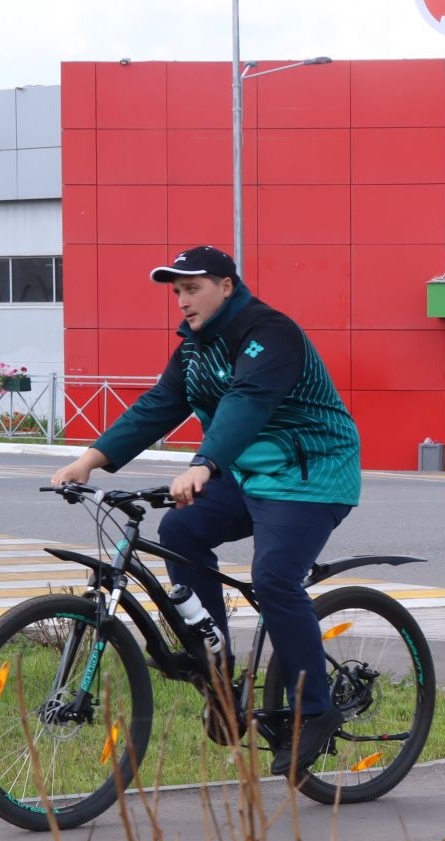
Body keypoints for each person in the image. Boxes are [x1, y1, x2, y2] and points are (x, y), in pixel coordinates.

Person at [48, 245, 362, 777]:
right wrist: (91, 460)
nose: (182, 301)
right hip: (246, 476)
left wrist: (205, 463)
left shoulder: (271, 334)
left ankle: (315, 709)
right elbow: (159, 405)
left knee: (273, 579)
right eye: (177, 292)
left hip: (312, 477)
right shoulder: (195, 348)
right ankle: (217, 669)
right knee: (180, 531)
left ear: (226, 286)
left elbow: (248, 402)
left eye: (192, 288)